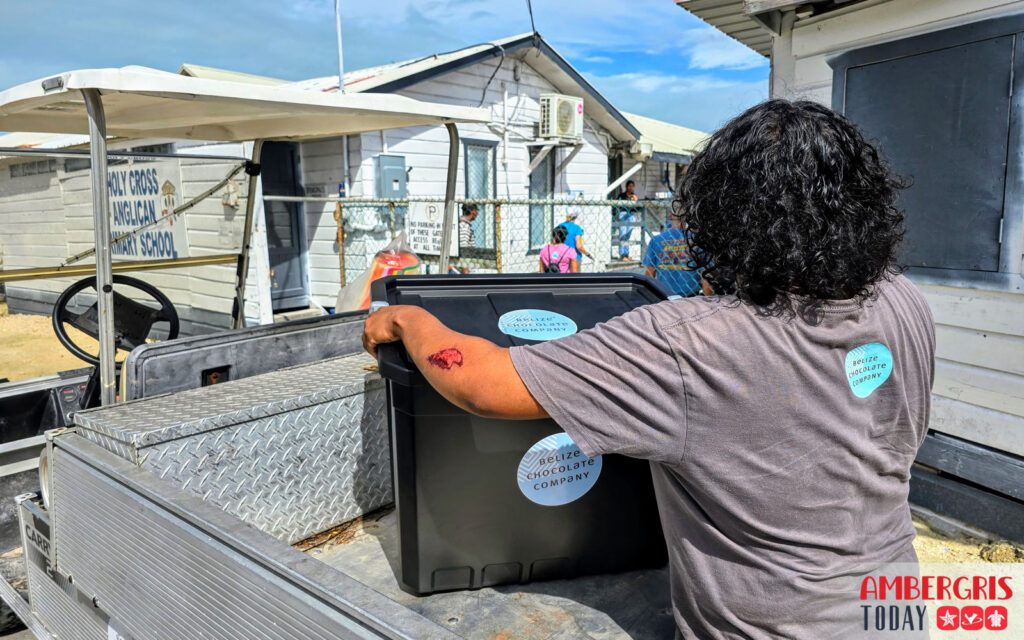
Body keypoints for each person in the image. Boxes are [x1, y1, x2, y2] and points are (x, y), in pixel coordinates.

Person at [363, 100, 932, 639]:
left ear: (727, 217)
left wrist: (407, 318)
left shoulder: (691, 342)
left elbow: (482, 384)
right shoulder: (903, 300)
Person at [642, 205, 702, 296]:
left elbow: (650, 274)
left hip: (664, 295)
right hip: (691, 296)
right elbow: (704, 275)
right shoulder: (697, 240)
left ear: (670, 216)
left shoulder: (656, 240)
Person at [615, 180, 639, 261]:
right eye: (629, 186)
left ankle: (626, 254)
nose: (631, 188)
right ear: (626, 187)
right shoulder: (622, 195)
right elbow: (616, 204)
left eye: (632, 186)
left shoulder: (634, 196)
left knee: (628, 235)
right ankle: (622, 255)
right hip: (623, 213)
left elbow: (638, 208)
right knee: (622, 234)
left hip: (631, 215)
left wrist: (636, 201)